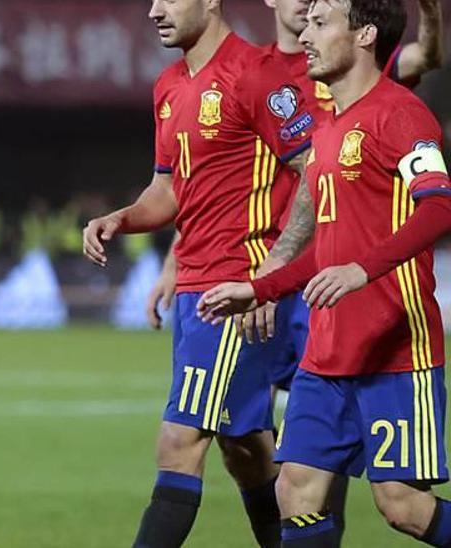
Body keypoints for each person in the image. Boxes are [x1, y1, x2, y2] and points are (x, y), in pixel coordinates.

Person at [198, 2, 451, 544]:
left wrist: (362, 270)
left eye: (320, 23)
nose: (305, 35)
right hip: (327, 349)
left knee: (402, 507)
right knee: (295, 489)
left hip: (395, 348)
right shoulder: (330, 130)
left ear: (362, 34)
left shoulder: (399, 114)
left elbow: (438, 207)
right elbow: (331, 248)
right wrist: (258, 287)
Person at [82, 0, 320, 544]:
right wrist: (122, 218)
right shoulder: (169, 85)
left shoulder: (256, 76)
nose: (153, 11)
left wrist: (272, 271)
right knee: (248, 452)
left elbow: (314, 171)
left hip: (236, 292)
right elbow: (167, 190)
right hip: (195, 286)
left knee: (179, 441)